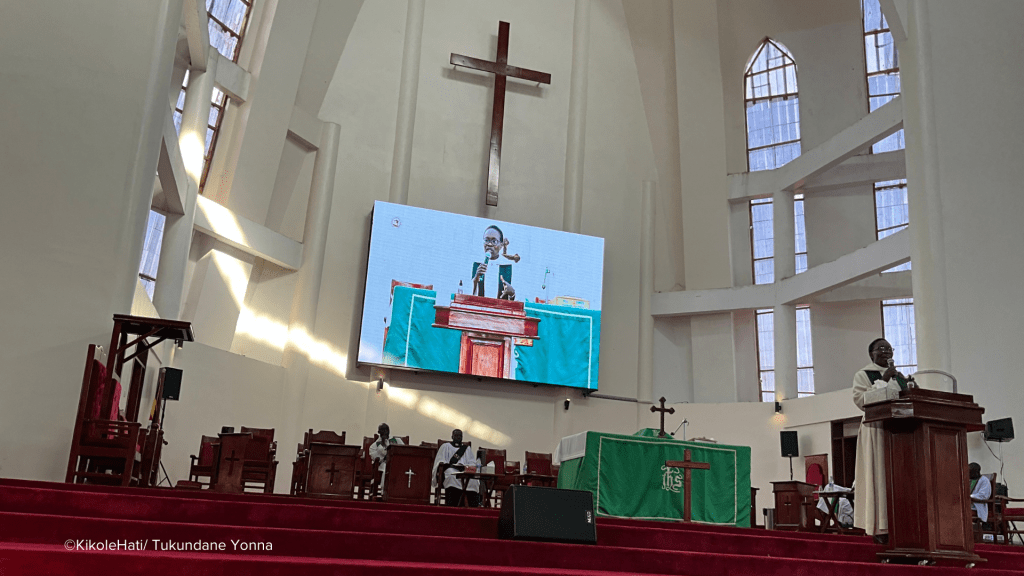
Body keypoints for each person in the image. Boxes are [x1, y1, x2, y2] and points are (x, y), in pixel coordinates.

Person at [852, 338, 914, 544]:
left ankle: (902, 523)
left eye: (889, 348)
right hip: (876, 429)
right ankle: (879, 526)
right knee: (879, 474)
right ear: (871, 354)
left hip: (900, 430)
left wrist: (910, 385)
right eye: (881, 348)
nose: (886, 351)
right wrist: (885, 380)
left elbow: (910, 398)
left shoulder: (898, 376)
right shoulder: (863, 375)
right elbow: (861, 401)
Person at [432, 429, 481, 507]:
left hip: (464, 470)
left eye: (460, 436)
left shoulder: (467, 449)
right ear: (452, 437)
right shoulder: (445, 446)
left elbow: (472, 462)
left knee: (473, 480)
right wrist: (449, 465)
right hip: (451, 469)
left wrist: (467, 467)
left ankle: (471, 506)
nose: (458, 437)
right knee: (452, 476)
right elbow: (440, 460)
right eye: (456, 435)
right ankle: (453, 504)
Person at [472, 225, 517, 300]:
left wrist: (512, 294)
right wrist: (475, 280)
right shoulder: (477, 265)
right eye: (486, 240)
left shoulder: (507, 267)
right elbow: (468, 295)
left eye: (494, 241)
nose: (489, 244)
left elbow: (516, 298)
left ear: (501, 245)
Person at [368, 423, 404, 492]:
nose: (385, 432)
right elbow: (375, 458)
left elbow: (404, 451)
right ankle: (385, 491)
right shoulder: (374, 446)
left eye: (386, 430)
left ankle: (399, 491)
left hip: (398, 464)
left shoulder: (397, 441)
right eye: (383, 430)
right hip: (384, 464)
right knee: (387, 469)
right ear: (379, 432)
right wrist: (382, 450)